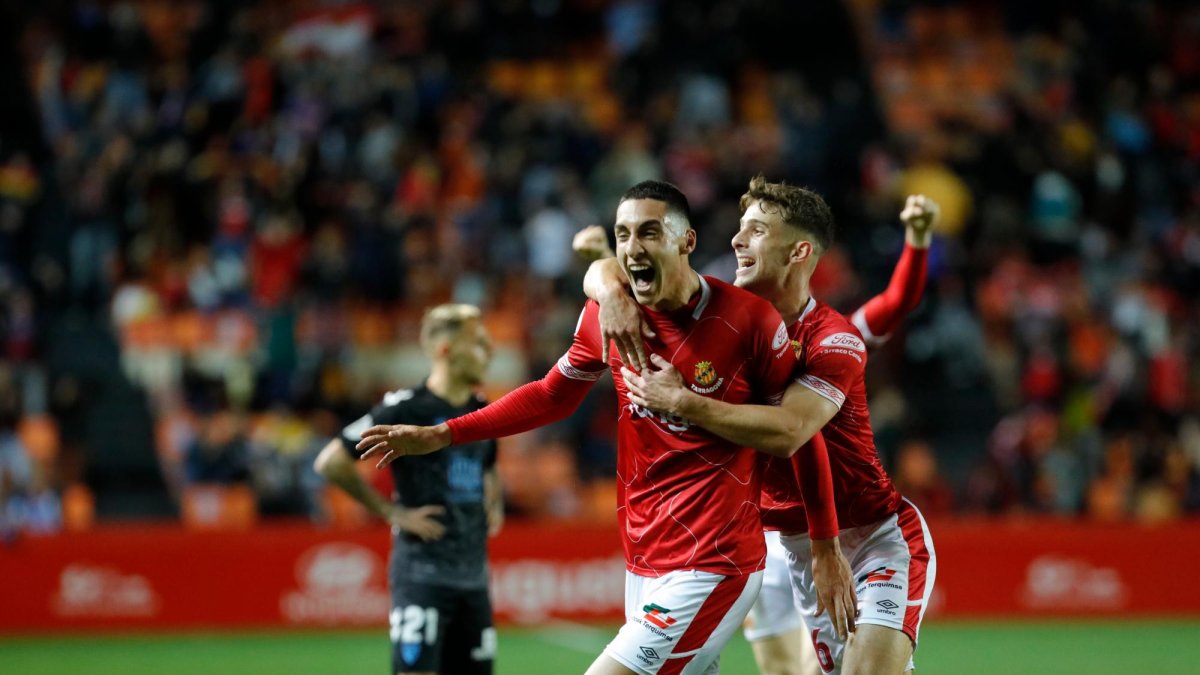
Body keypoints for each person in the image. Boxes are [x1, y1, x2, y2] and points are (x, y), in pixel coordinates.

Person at [357, 180, 854, 675]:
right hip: (642, 559)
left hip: (717, 561)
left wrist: (825, 545)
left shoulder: (749, 321)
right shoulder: (608, 314)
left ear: (687, 241)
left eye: (650, 232)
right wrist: (444, 433)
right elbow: (552, 394)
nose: (633, 247)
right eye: (623, 235)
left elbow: (797, 435)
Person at [584, 179, 938, 675]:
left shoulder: (835, 340)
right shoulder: (722, 318)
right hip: (785, 542)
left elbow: (792, 431)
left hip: (871, 533)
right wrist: (604, 277)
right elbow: (639, 274)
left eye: (755, 230)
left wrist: (683, 402)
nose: (735, 241)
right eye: (738, 227)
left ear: (798, 250)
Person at [314, 303, 503, 675]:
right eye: (478, 343)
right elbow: (331, 461)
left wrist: (492, 503)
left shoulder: (483, 410)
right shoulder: (406, 409)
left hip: (473, 578)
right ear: (445, 350)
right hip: (423, 575)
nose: (490, 351)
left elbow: (489, 465)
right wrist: (390, 512)